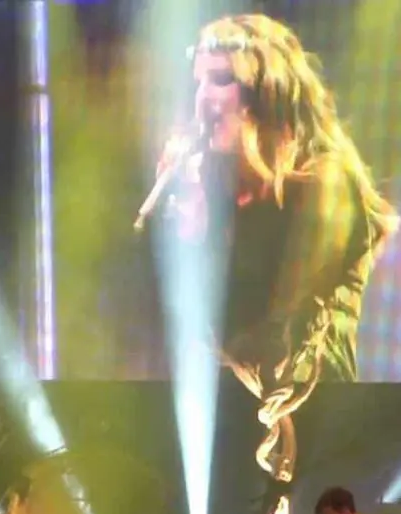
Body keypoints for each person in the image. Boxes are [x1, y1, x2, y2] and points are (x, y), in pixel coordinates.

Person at [157, 13, 398, 388]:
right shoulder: (219, 190)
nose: (202, 98)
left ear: (267, 91)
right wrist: (191, 229)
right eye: (198, 82)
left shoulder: (326, 178)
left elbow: (283, 328)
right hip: (236, 399)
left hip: (316, 402)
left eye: (221, 79)